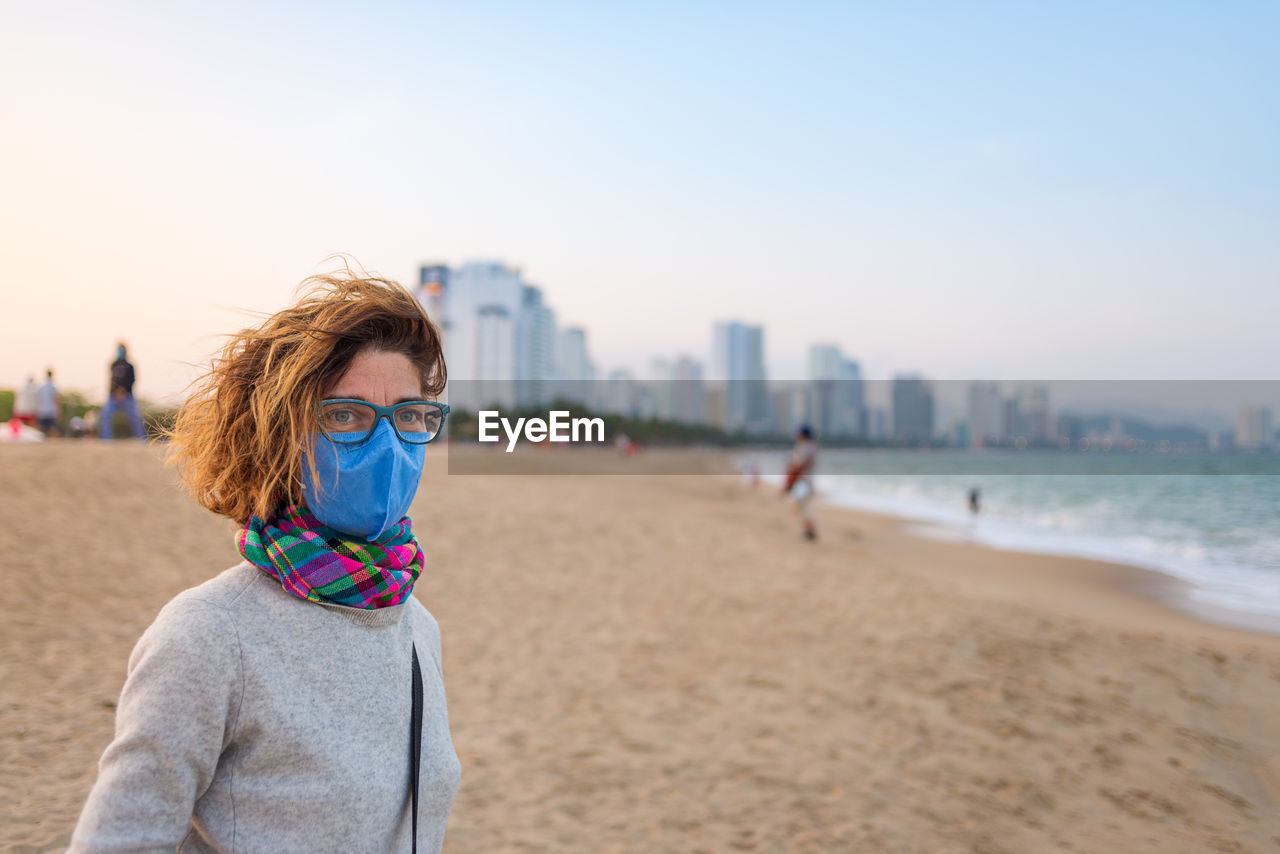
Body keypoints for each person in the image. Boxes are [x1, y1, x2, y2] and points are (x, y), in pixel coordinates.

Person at [70, 273, 460, 853]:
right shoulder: (209, 635)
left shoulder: (415, 627)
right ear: (284, 435)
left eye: (408, 416)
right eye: (345, 416)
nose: (387, 446)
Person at [100, 343, 146, 439]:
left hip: (127, 396)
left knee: (135, 417)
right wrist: (115, 392)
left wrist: (123, 391)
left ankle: (142, 438)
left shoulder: (130, 366)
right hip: (113, 396)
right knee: (105, 415)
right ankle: (106, 439)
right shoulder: (113, 364)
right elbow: (112, 380)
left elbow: (132, 380)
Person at [782, 424, 819, 540]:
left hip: (803, 481)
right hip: (805, 481)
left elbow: (799, 465)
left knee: (800, 506)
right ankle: (808, 530)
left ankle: (809, 530)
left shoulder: (806, 447)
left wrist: (790, 479)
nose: (796, 435)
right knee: (801, 506)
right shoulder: (809, 447)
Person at [36, 369, 60, 436]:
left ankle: (39, 441)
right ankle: (54, 443)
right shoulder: (53, 386)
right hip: (51, 410)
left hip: (42, 409)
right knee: (53, 427)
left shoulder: (42, 386)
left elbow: (39, 398)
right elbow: (56, 399)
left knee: (41, 427)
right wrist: (58, 409)